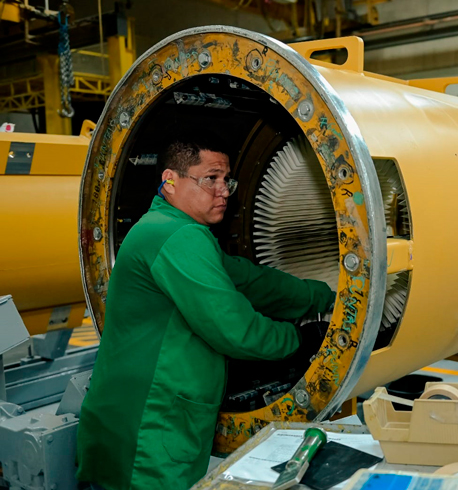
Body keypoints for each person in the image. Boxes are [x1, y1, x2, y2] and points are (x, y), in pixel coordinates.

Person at [76, 140, 335, 490]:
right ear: (170, 181)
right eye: (211, 178)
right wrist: (300, 341)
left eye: (227, 180)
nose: (223, 191)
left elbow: (250, 281)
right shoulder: (176, 236)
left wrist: (323, 295)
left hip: (138, 421)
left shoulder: (170, 228)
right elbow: (235, 330)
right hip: (148, 433)